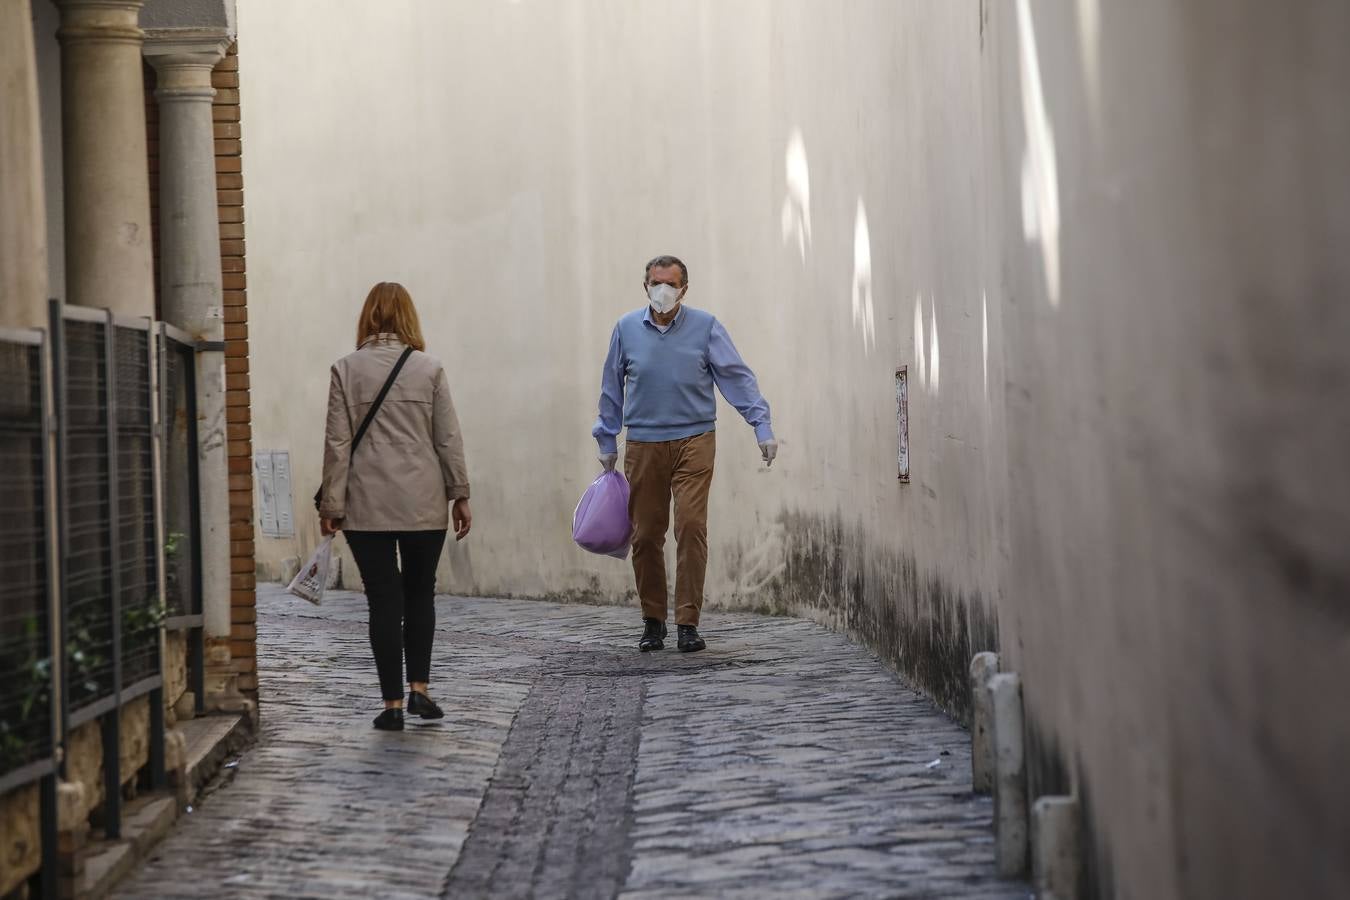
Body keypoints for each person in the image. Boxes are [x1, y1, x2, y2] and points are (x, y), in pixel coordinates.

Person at [593, 255, 777, 653]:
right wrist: (606, 439)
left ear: (684, 289)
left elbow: (735, 376)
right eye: (656, 282)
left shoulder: (705, 327)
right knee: (645, 535)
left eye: (670, 284)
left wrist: (760, 424)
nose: (662, 290)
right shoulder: (626, 329)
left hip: (695, 439)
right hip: (643, 443)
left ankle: (688, 622)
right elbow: (611, 386)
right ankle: (653, 620)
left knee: (692, 527)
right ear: (645, 285)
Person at [319, 282, 472, 731]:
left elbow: (337, 443)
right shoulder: (430, 369)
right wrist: (459, 494)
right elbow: (448, 438)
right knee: (421, 592)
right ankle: (420, 690)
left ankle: (391, 705)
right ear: (409, 317)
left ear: (367, 317)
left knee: (383, 601)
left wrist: (332, 502)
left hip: (365, 506)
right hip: (423, 501)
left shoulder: (345, 370)